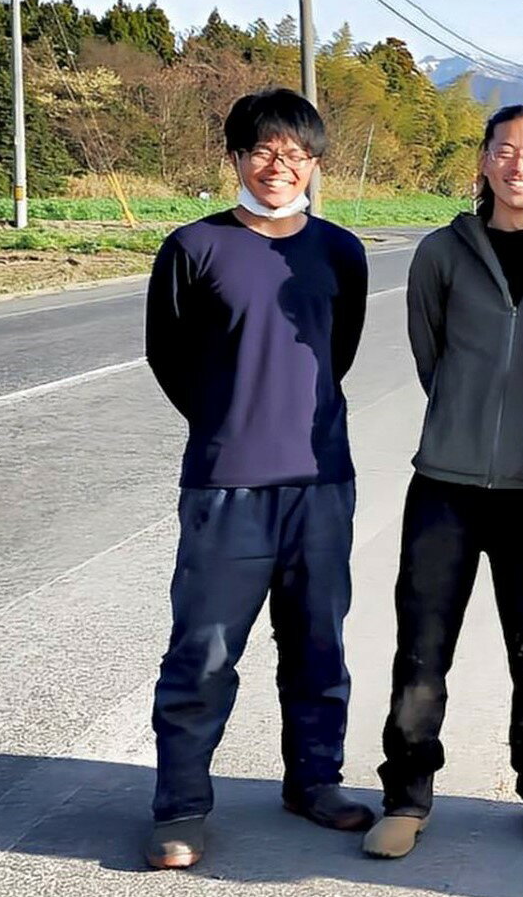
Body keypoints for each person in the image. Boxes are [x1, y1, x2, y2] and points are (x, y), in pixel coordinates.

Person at [362, 104, 523, 861]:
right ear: (483, 161)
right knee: (421, 646)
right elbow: (430, 353)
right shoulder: (442, 253)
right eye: (505, 150)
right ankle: (406, 795)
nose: (519, 164)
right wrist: (467, 420)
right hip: (445, 482)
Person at [143, 88, 371, 869]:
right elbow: (168, 356)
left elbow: (336, 355)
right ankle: (180, 808)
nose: (280, 166)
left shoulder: (341, 251)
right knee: (203, 650)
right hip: (224, 485)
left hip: (320, 480)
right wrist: (226, 418)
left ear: (315, 163)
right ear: (236, 156)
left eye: (296, 153)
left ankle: (314, 781)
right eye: (264, 151)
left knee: (317, 643)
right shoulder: (193, 247)